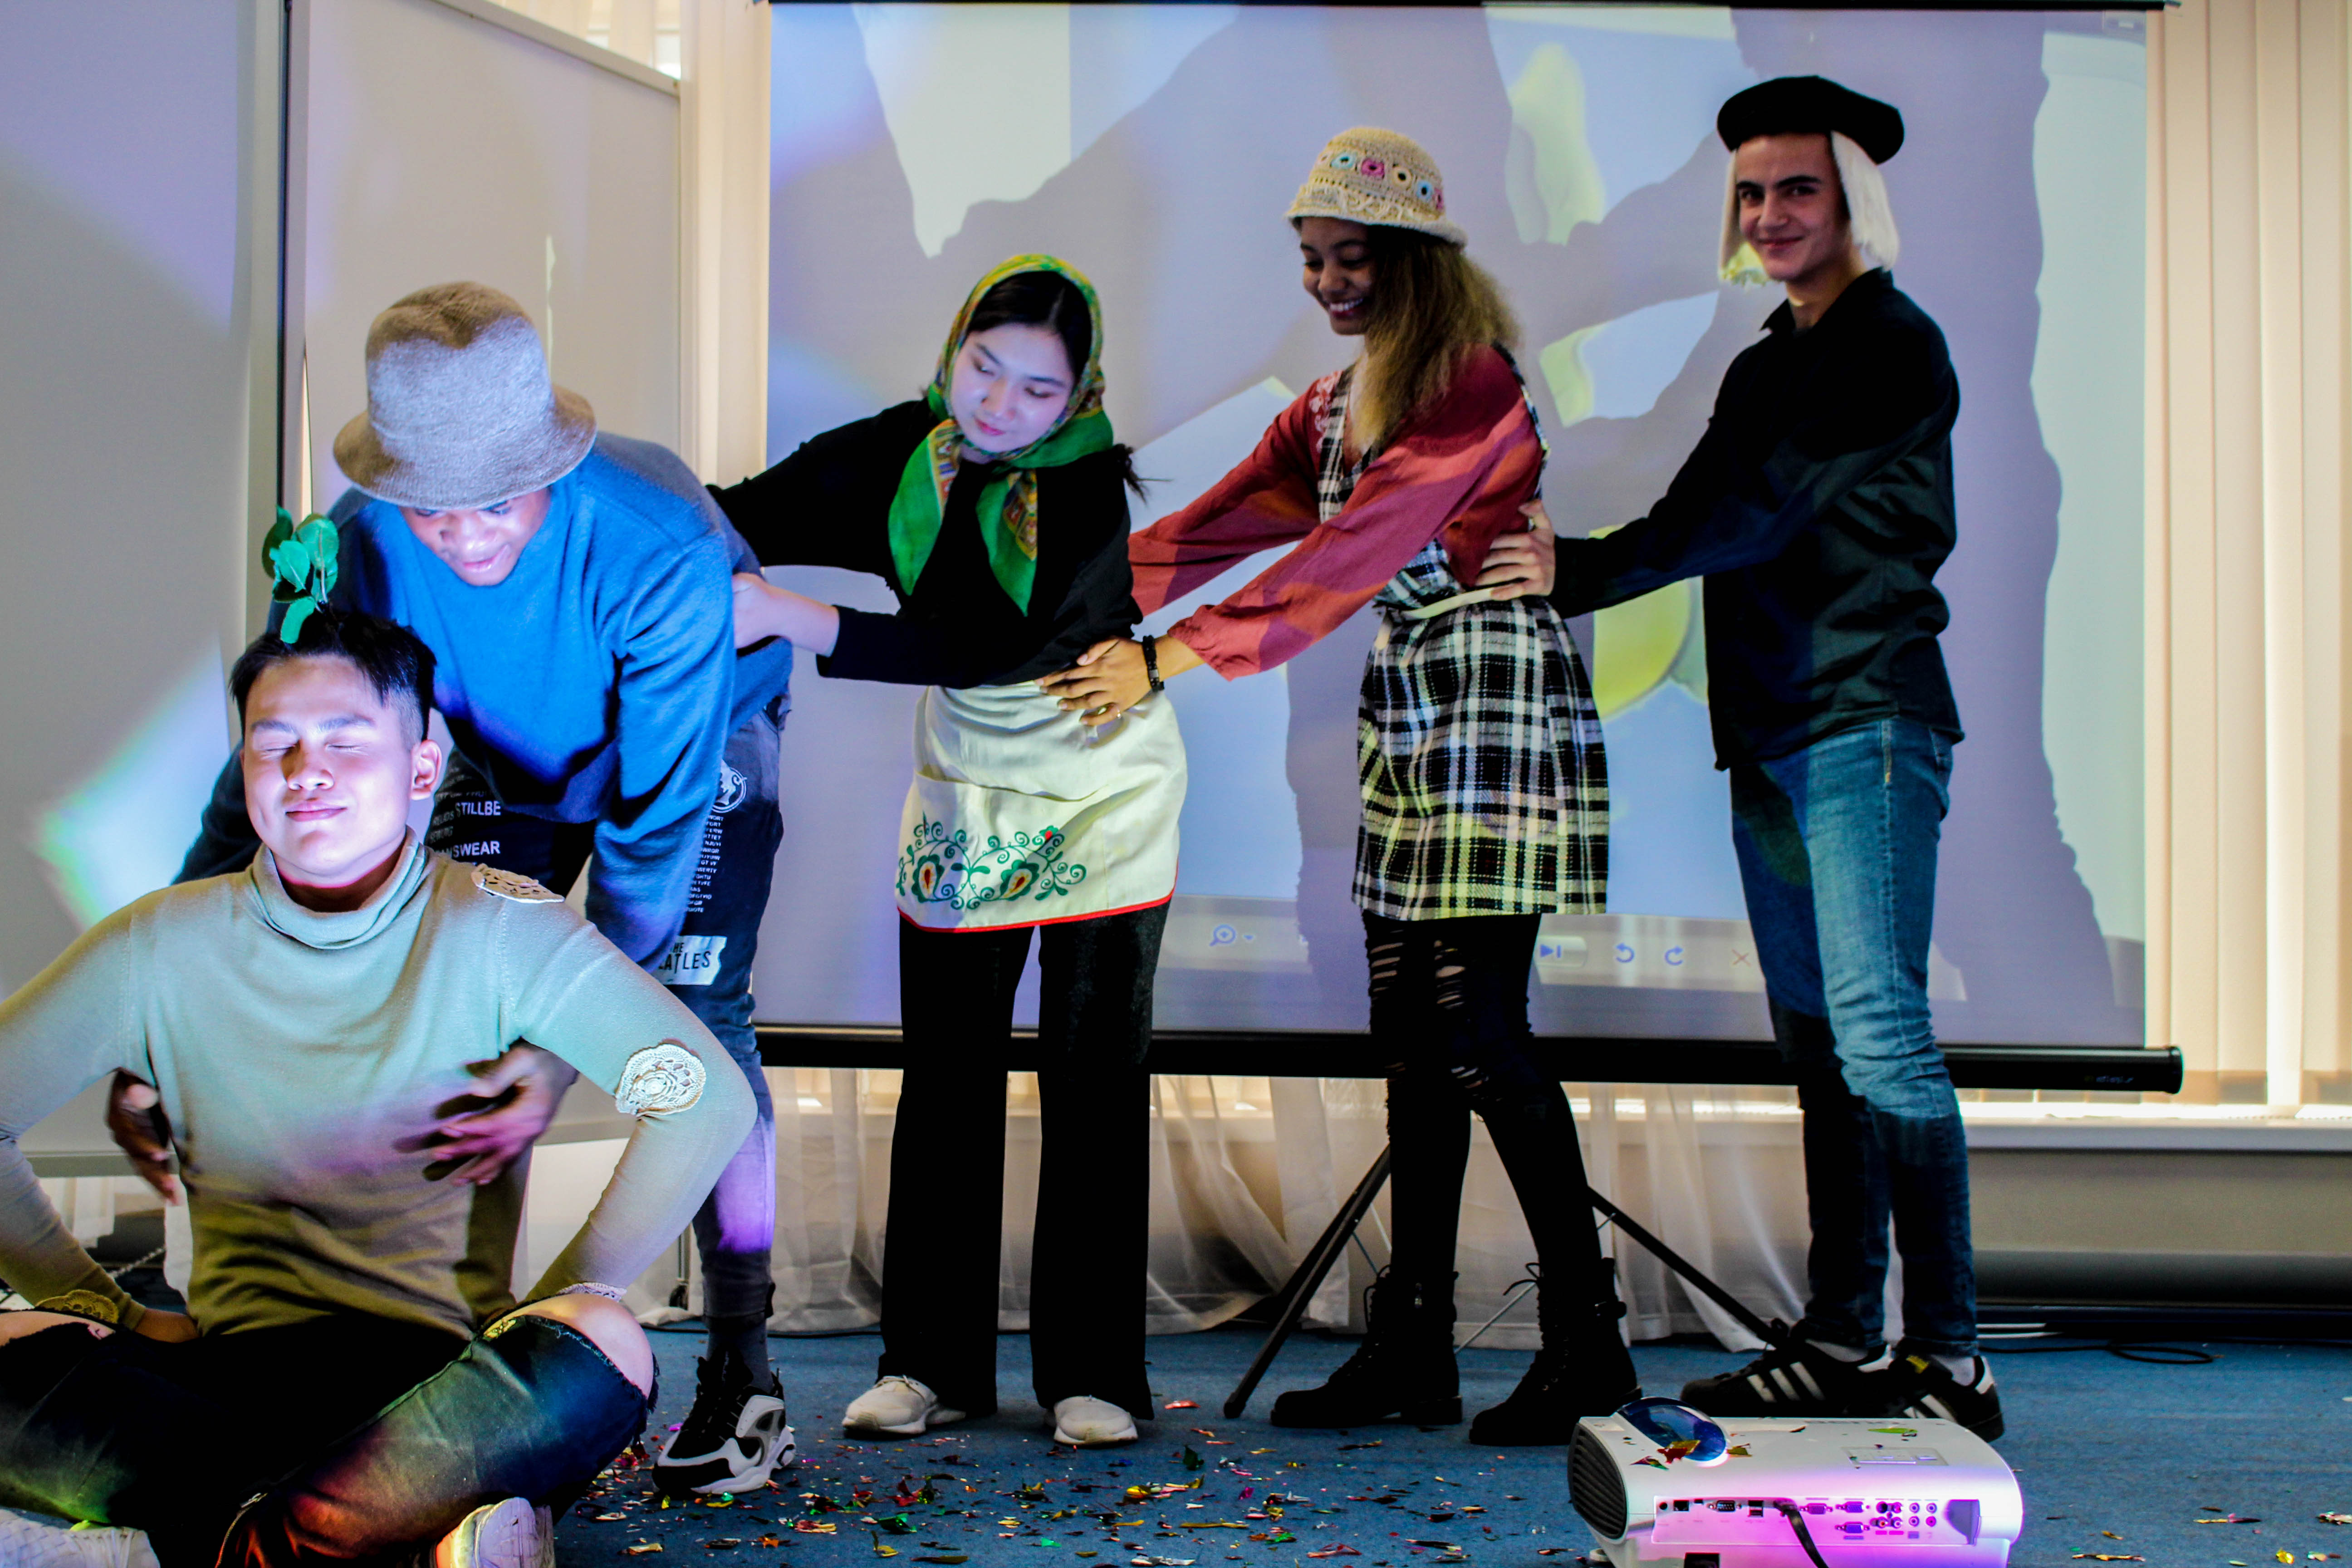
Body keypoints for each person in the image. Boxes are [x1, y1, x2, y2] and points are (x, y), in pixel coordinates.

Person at [1038, 130, 1634, 1445]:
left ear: (1413, 259)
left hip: (1492, 702)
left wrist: (1167, 659)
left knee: (1477, 1030)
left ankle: (1590, 1347)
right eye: (1311, 259)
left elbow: (1355, 550)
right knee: (1411, 1040)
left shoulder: (1468, 379)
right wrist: (1054, 595)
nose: (1326, 282)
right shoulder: (1329, 404)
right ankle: (1413, 1344)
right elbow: (1218, 524)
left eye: (1350, 257)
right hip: (1410, 710)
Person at [152, 282, 798, 1493]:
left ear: (550, 461)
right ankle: (459, 1339)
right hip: (503, 754)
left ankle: (745, 1366)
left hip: (700, 747)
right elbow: (284, 749)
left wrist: (563, 1054)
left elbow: (654, 836)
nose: (463, 537)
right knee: (461, 992)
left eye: (497, 502)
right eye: (432, 510)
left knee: (694, 1017)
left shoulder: (659, 543)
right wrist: (176, 955)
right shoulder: (360, 539)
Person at [0, 611, 757, 1568]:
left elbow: (705, 1099)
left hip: (441, 1396)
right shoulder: (157, 941)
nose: (304, 772)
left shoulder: (499, 927)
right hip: (217, 1380)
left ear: (422, 770)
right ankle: (378, 1541)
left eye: (346, 742)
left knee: (605, 1336)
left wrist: (549, 1306)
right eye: (273, 744)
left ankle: (187, 1545)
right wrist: (95, 1303)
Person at [1539, 77, 1996, 1439]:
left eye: (1798, 188)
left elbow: (1758, 514)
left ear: (1855, 201)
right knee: (1821, 1051)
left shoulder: (1892, 344)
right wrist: (1572, 571)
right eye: (1751, 192)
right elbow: (1698, 507)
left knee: (1882, 1043)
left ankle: (1952, 1358)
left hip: (1866, 720)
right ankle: (1845, 1336)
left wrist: (1577, 573)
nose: (1770, 213)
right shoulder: (1759, 364)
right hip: (1774, 732)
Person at [723, 257, 1177, 1447]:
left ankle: (1094, 1375)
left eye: (1038, 389)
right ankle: (931, 1364)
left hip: (1100, 793)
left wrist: (795, 618)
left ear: (1079, 395)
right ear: (955, 348)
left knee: (1091, 1079)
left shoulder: (1085, 489)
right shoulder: (904, 450)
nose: (1000, 404)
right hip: (971, 785)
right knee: (946, 1074)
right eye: (985, 367)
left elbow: (984, 642)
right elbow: (746, 512)